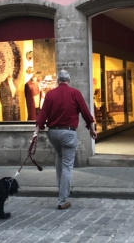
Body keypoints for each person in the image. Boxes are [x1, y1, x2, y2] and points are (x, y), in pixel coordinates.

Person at [33, 70, 97, 210]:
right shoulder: (75, 93)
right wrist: (91, 128)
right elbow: (86, 113)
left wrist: (36, 132)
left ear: (57, 81)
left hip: (53, 133)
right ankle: (62, 200)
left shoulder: (50, 94)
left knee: (60, 157)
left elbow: (42, 115)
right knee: (67, 165)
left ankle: (62, 189)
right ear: (69, 80)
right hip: (68, 133)